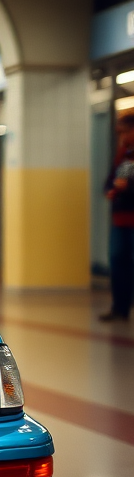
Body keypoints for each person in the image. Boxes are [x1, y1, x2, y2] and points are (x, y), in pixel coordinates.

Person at [100, 112, 134, 322]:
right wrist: (111, 190)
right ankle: (119, 308)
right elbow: (110, 181)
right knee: (118, 262)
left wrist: (127, 188)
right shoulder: (122, 154)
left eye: (125, 132)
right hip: (119, 220)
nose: (122, 137)